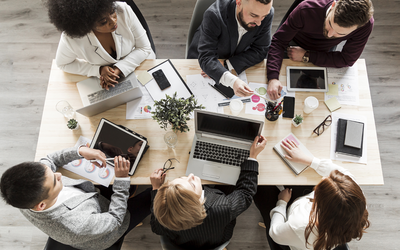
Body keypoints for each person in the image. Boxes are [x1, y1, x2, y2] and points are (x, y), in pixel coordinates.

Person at [0, 145, 151, 250]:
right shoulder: (75, 225)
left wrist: (80, 151)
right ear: (41, 205)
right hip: (113, 227)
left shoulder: (21, 195)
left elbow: (50, 160)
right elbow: (115, 219)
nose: (59, 175)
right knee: (156, 195)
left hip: (93, 199)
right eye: (55, 181)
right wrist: (121, 180)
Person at [149, 135, 267, 249]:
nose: (191, 175)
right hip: (217, 240)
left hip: (186, 243)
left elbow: (156, 227)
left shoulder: (163, 217)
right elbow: (245, 194)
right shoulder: (223, 208)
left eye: (182, 178)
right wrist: (252, 157)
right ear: (196, 202)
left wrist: (156, 189)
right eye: (192, 184)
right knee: (232, 182)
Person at [254, 139, 370, 250]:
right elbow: (341, 172)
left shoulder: (300, 227)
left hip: (290, 223)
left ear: (320, 205)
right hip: (305, 208)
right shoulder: (355, 196)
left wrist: (282, 203)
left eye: (321, 186)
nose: (324, 177)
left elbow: (275, 233)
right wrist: (309, 160)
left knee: (259, 185)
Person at [267, 0, 374, 99]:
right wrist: (273, 78)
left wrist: (307, 55)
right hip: (292, 43)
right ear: (333, 6)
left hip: (323, 50)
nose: (330, 34)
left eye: (340, 34)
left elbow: (347, 59)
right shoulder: (306, 9)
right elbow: (279, 41)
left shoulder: (365, 25)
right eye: (330, 24)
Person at [46, 0, 155, 90]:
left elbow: (144, 48)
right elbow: (63, 64)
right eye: (103, 22)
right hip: (108, 85)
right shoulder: (71, 39)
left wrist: (117, 70)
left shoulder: (123, 10)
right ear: (86, 25)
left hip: (141, 65)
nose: (113, 21)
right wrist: (99, 70)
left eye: (112, 12)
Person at [187, 0, 274, 97]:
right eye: (254, 15)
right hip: (202, 59)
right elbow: (206, 58)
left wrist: (227, 64)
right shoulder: (214, 14)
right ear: (239, 2)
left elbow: (261, 50)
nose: (259, 23)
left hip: (237, 57)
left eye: (264, 16)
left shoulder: (266, 13)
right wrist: (233, 81)